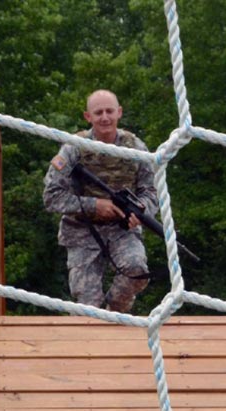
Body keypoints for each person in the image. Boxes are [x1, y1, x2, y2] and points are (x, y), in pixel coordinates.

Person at [43, 89, 158, 313]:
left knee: (137, 271)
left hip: (121, 228)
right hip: (81, 230)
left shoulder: (136, 148)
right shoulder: (73, 148)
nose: (104, 117)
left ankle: (115, 311)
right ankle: (97, 322)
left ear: (119, 113)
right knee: (88, 306)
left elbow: (151, 192)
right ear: (88, 117)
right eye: (98, 113)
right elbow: (51, 196)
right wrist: (94, 205)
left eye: (109, 111)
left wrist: (141, 213)